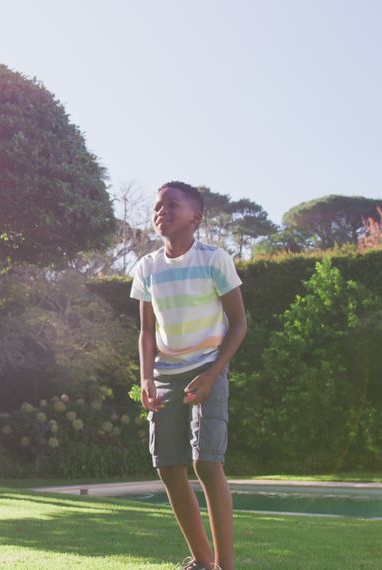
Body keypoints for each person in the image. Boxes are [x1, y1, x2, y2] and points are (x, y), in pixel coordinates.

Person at [130, 181, 247, 570]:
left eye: (171, 205)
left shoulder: (214, 260)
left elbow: (240, 324)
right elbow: (147, 331)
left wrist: (214, 374)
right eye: (157, 206)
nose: (161, 211)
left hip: (206, 368)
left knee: (206, 462)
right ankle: (202, 561)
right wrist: (146, 378)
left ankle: (225, 565)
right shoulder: (147, 267)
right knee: (167, 465)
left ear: (195, 217)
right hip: (165, 375)